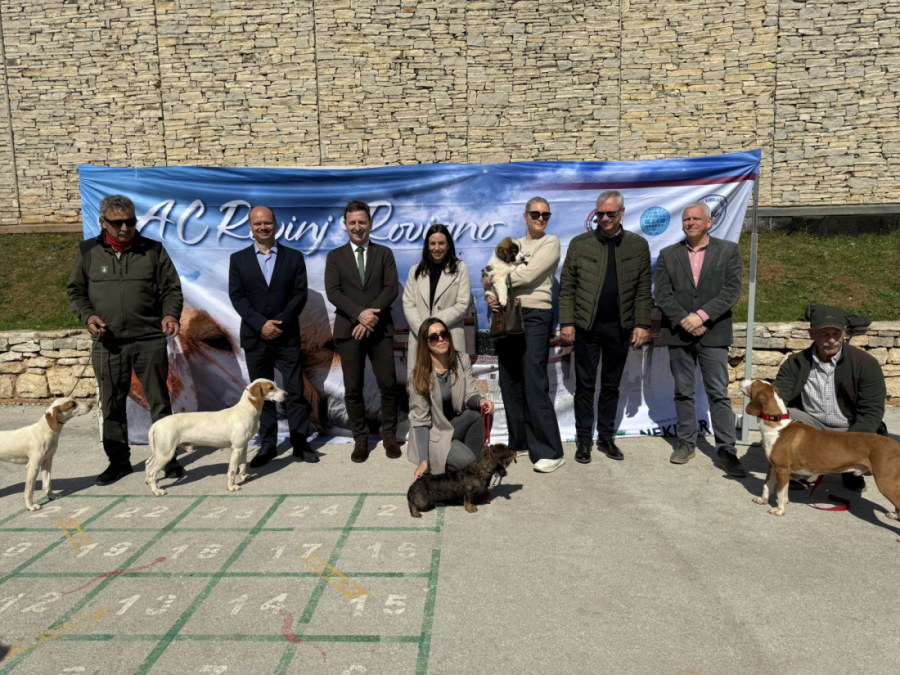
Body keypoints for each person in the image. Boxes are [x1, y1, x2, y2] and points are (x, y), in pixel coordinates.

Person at [67, 194, 183, 486]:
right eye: (117, 222)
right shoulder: (88, 251)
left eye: (130, 221)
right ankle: (118, 462)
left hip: (149, 339)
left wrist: (170, 314)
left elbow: (171, 289)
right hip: (108, 342)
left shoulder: (153, 250)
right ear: (102, 222)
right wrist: (89, 317)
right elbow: (76, 292)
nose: (125, 228)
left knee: (159, 402)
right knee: (112, 404)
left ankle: (167, 459)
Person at [559, 190, 652, 464]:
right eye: (600, 214)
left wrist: (642, 323)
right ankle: (583, 440)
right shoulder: (580, 244)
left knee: (611, 386)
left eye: (611, 213)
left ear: (622, 212)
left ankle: (606, 438)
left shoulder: (638, 245)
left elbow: (643, 290)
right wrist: (567, 322)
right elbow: (568, 288)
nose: (605, 218)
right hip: (587, 327)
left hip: (620, 328)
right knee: (585, 387)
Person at [654, 202, 744, 476]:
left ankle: (727, 449)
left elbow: (731, 291)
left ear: (709, 222)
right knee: (683, 391)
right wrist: (686, 320)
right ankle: (686, 443)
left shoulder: (728, 251)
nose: (690, 222)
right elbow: (662, 294)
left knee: (718, 393)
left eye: (696, 218)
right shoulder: (668, 254)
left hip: (714, 333)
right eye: (686, 219)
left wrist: (701, 316)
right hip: (679, 333)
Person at [228, 205, 317, 467]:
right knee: (261, 394)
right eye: (257, 224)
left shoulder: (294, 257)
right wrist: (261, 324)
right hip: (255, 336)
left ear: (275, 225)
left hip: (287, 335)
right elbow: (237, 297)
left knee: (295, 390)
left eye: (267, 223)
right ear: (250, 227)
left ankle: (300, 442)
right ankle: (268, 444)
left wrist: (281, 323)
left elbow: (300, 294)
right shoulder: (238, 259)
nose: (263, 227)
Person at [484, 197, 565, 473]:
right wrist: (490, 293)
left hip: (535, 315)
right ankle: (519, 442)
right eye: (535, 214)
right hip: (507, 315)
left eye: (545, 215)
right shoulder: (511, 244)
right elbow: (489, 274)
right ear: (525, 216)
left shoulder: (550, 242)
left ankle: (551, 451)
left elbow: (529, 275)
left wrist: (499, 279)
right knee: (510, 380)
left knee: (533, 380)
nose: (540, 218)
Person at [774, 303, 887, 493]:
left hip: (850, 427)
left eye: (837, 333)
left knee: (873, 435)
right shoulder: (795, 363)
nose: (832, 340)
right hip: (812, 428)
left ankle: (850, 468)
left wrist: (846, 448)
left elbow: (871, 412)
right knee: (782, 418)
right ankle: (802, 469)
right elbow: (778, 400)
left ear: (844, 333)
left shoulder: (866, 364)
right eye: (825, 334)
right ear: (812, 334)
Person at [324, 200, 401, 463]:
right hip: (349, 331)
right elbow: (334, 291)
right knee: (353, 388)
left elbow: (391, 288)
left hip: (380, 330)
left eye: (362, 222)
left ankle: (389, 435)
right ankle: (360, 439)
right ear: (345, 225)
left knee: (388, 385)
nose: (358, 227)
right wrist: (359, 314)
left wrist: (369, 317)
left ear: (370, 224)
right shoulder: (335, 257)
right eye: (352, 223)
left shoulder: (384, 253)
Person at [408, 318, 495, 481]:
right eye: (434, 337)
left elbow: (470, 394)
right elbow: (420, 422)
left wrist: (481, 401)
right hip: (434, 433)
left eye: (444, 334)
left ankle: (469, 470)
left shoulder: (461, 359)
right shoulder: (420, 375)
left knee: (481, 413)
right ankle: (463, 468)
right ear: (425, 343)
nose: (441, 339)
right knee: (467, 462)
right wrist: (423, 461)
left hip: (454, 425)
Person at [402, 224, 472, 372]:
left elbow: (462, 305)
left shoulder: (461, 269)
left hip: (448, 338)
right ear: (427, 246)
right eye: (432, 243)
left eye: (441, 243)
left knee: (451, 383)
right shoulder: (415, 271)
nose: (437, 248)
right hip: (420, 339)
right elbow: (408, 304)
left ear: (448, 245)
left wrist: (433, 327)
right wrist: (424, 330)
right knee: (420, 383)